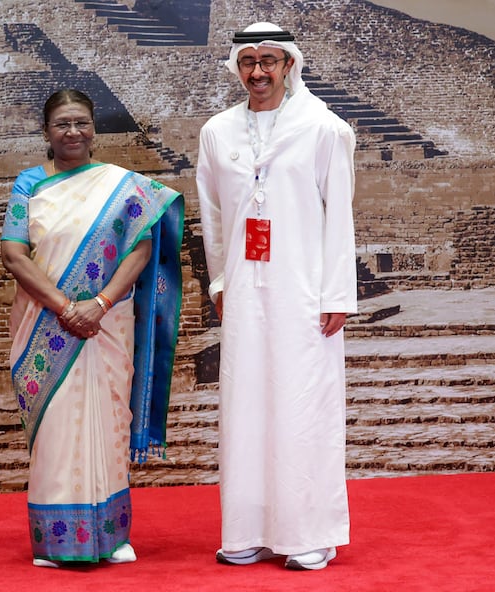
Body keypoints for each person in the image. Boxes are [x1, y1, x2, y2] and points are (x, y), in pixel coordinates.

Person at [196, 23, 357, 571]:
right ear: (237, 68)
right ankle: (247, 529)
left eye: (269, 60)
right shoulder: (217, 131)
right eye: (248, 61)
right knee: (246, 406)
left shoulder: (323, 129)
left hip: (305, 292)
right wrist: (220, 281)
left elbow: (341, 216)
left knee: (302, 404)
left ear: (289, 64)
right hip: (244, 291)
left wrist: (337, 292)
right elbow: (214, 217)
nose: (258, 72)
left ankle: (308, 533)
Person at [0, 89, 184, 568]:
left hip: (106, 325)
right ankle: (54, 541)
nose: (73, 132)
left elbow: (141, 249)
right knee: (55, 432)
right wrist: (65, 307)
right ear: (46, 132)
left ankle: (112, 535)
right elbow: (14, 254)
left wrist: (98, 304)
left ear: (94, 129)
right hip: (46, 325)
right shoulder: (29, 186)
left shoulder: (122, 187)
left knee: (108, 426)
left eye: (81, 122)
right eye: (62, 123)